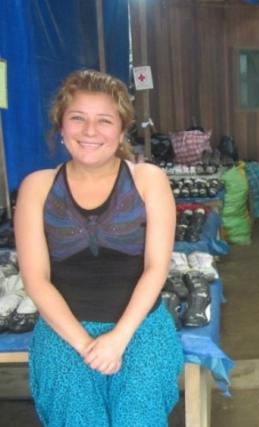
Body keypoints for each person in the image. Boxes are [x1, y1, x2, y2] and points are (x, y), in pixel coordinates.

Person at [14, 69, 183, 426]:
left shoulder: (148, 180)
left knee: (136, 417)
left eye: (104, 120)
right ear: (61, 126)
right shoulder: (37, 187)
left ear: (121, 131)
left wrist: (118, 338)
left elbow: (156, 267)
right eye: (78, 118)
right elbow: (36, 279)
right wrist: (85, 345)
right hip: (64, 332)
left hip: (139, 327)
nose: (90, 131)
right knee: (78, 418)